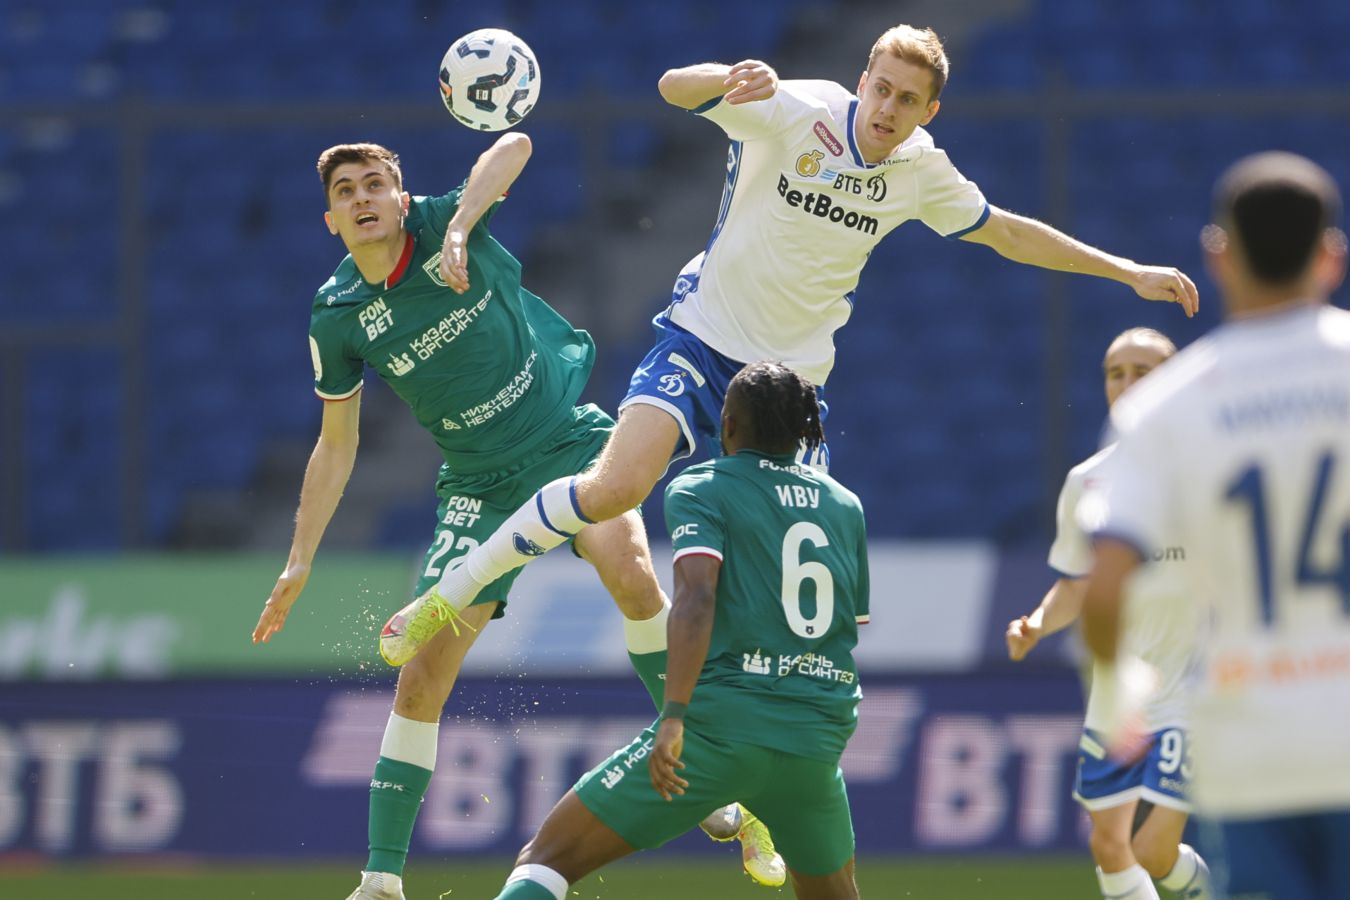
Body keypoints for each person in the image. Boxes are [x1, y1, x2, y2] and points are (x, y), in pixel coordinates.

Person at [388, 23, 1200, 662]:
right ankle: (451, 594)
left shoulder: (922, 170)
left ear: (928, 112)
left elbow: (1008, 233)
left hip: (789, 385)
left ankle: (753, 762)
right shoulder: (796, 109)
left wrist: (1127, 271)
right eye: (881, 88)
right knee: (614, 489)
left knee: (798, 590)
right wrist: (729, 77)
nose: (887, 109)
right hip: (701, 338)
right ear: (862, 80)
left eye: (907, 100)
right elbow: (672, 87)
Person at [249, 137, 777, 900]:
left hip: (569, 442)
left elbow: (516, 144)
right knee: (422, 673)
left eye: (374, 184)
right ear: (331, 219)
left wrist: (461, 227)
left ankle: (700, 776)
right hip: (478, 484)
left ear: (401, 197)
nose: (362, 198)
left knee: (632, 575)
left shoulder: (442, 224)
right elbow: (336, 444)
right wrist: (300, 558)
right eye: (345, 192)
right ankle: (381, 880)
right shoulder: (336, 315)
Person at [488, 361, 869, 900]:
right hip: (815, 743)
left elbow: (697, 599)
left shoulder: (702, 488)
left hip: (718, 732)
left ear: (727, 425)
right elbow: (846, 630)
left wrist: (674, 716)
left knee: (546, 859)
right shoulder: (844, 505)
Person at [1081, 152, 1350, 900]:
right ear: (1331, 257)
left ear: (1218, 256)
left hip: (1250, 742)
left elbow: (1105, 591)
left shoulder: (1166, 408)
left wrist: (1122, 691)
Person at [1006, 327, 1212, 900]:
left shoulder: (1211, 465)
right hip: (1120, 691)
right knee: (1109, 845)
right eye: (1115, 373)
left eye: (1143, 371)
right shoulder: (1087, 481)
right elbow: (1077, 584)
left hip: (1197, 682)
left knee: (1152, 848)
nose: (1126, 383)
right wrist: (1036, 624)